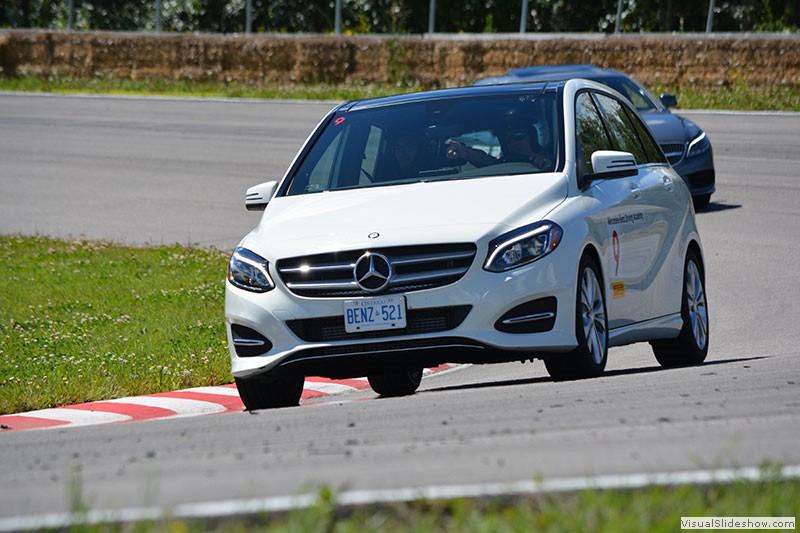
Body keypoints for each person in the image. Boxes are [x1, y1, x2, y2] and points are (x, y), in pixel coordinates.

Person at [446, 116, 552, 171]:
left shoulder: (557, 161)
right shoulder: (505, 165)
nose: (513, 143)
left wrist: (546, 165)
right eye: (507, 140)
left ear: (533, 138)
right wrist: (464, 152)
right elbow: (489, 163)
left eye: (518, 136)